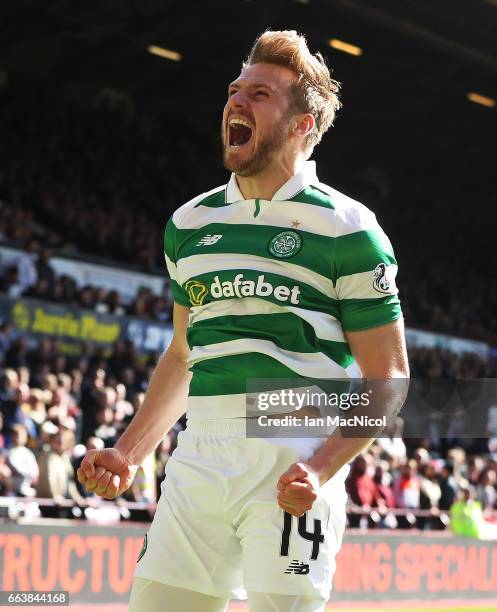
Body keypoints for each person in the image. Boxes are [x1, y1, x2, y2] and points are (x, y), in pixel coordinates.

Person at [77, 30, 409, 612]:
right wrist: (129, 452)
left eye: (259, 94)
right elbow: (184, 355)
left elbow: (388, 379)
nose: (235, 101)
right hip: (198, 453)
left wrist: (322, 464)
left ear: (303, 126)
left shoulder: (350, 231)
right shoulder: (189, 222)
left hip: (292, 450)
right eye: (235, 89)